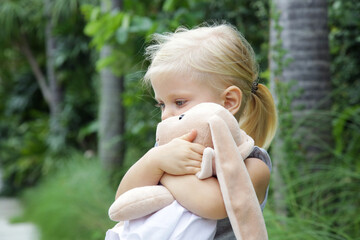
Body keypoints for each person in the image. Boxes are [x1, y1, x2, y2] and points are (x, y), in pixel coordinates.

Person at [109, 22, 277, 239]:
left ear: (228, 101)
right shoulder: (165, 151)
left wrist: (164, 171)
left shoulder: (253, 165)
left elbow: (212, 205)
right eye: (161, 104)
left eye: (179, 102)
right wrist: (154, 161)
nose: (166, 115)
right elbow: (123, 202)